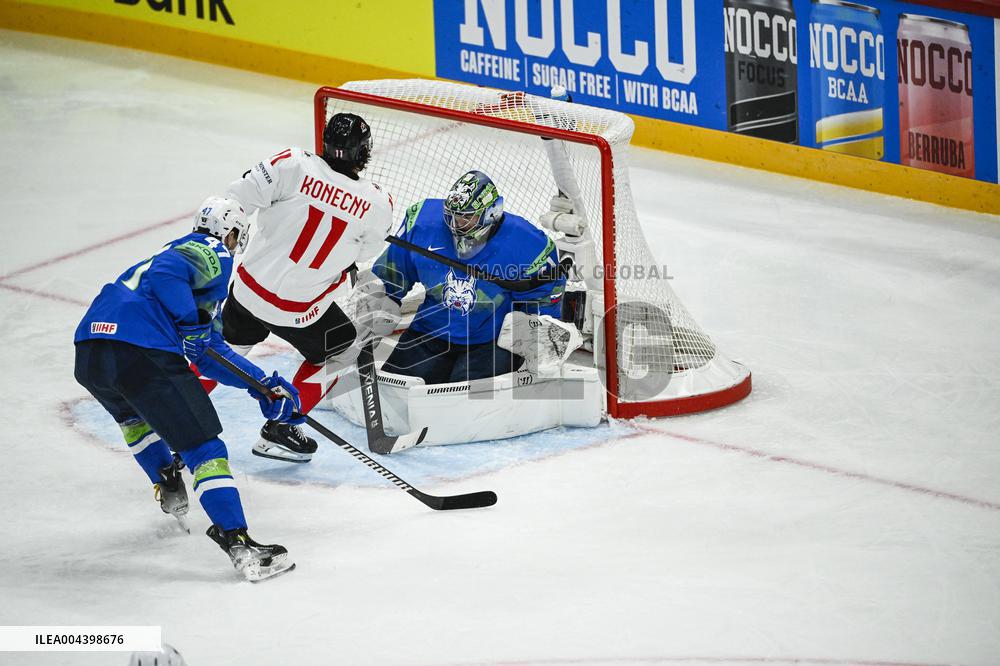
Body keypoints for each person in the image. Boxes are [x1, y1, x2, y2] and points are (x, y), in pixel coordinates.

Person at [74, 197, 298, 582]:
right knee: (205, 448)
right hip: (140, 348)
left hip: (91, 352)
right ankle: (239, 541)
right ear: (231, 233)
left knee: (133, 417)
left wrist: (261, 386)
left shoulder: (178, 263)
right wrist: (189, 322)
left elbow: (210, 353)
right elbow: (167, 274)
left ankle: (167, 481)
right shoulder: (209, 249)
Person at [205, 113, 395, 463]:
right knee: (343, 349)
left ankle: (170, 412)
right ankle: (282, 427)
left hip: (248, 289)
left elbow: (235, 200)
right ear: (364, 152)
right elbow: (363, 254)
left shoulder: (291, 163)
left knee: (222, 350)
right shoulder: (379, 204)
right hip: (300, 309)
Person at [370, 170, 566, 384]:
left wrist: (535, 338)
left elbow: (547, 294)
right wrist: (369, 317)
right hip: (430, 332)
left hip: (491, 341)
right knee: (393, 389)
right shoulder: (423, 223)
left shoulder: (528, 244)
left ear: (492, 212)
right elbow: (389, 277)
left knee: (466, 404)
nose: (456, 224)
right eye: (452, 215)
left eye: (467, 217)